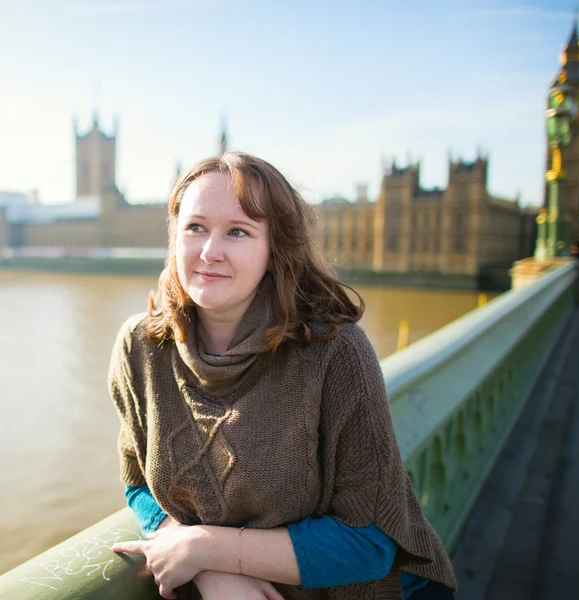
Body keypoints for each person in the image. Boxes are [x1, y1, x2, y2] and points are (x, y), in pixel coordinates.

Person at [109, 153, 457, 600]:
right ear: (174, 235)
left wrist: (208, 548)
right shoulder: (140, 346)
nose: (210, 251)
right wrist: (193, 557)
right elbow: (136, 478)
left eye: (238, 231)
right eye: (195, 227)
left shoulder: (335, 351)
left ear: (275, 250)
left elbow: (371, 541)